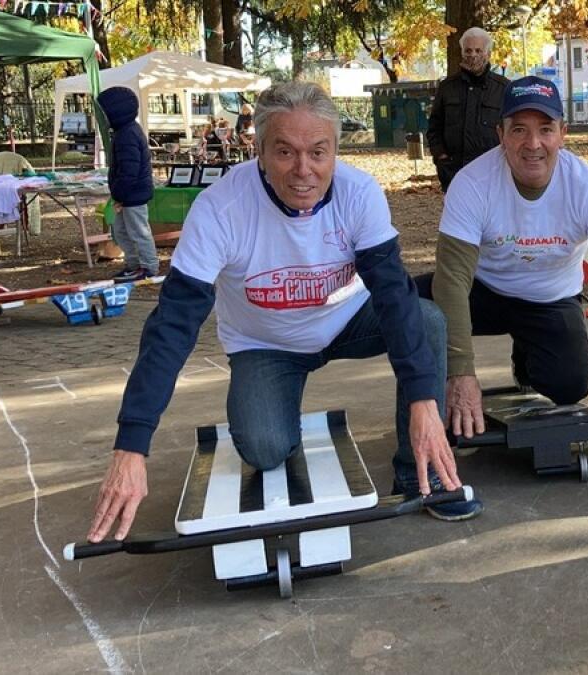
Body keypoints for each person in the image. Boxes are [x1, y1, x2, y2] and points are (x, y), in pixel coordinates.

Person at [85, 81, 479, 546]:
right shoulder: (220, 209)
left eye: (318, 153)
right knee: (264, 448)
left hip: (347, 321)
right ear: (260, 150)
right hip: (266, 343)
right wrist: (132, 444)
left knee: (426, 319)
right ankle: (278, 414)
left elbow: (394, 297)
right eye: (285, 152)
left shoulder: (359, 193)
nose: (303, 171)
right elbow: (171, 327)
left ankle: (419, 474)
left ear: (335, 151)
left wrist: (423, 401)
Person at [426, 76, 588, 441]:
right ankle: (422, 401)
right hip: (482, 291)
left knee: (569, 386)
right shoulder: (472, 183)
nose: (533, 144)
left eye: (545, 129)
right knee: (412, 312)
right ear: (501, 135)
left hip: (549, 298)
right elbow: (452, 280)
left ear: (563, 134)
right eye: (519, 130)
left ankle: (528, 358)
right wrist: (460, 371)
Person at [427, 27, 510, 192]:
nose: (473, 55)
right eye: (468, 50)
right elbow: (434, 128)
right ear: (462, 53)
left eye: (478, 50)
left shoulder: (504, 88)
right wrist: (441, 158)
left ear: (488, 53)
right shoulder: (447, 87)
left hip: (493, 175)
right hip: (454, 174)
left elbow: (512, 128)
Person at [97, 86, 159, 282]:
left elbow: (129, 169)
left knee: (139, 232)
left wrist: (120, 194)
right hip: (126, 195)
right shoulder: (123, 132)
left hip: (133, 195)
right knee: (121, 232)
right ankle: (133, 265)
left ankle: (148, 266)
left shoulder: (128, 134)